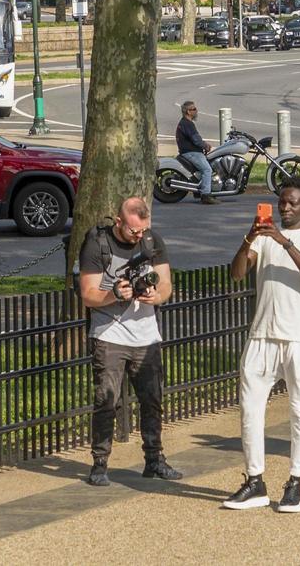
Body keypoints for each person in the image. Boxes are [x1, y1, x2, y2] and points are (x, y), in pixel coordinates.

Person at [223, 181, 300, 513]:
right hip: (262, 334)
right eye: (282, 202)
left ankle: (295, 482)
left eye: (293, 203)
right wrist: (249, 238)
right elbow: (237, 273)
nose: (285, 208)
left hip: (298, 336)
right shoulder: (263, 238)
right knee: (250, 409)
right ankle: (255, 481)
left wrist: (283, 242)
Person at [77, 197, 182, 486]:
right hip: (109, 335)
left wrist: (156, 296)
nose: (139, 236)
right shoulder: (98, 244)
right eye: (133, 231)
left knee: (152, 399)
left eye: (143, 230)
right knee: (106, 401)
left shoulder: (152, 240)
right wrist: (114, 294)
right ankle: (99, 464)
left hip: (146, 335)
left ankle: (154, 459)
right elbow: (87, 294)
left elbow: (166, 284)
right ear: (119, 221)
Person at [176, 100, 218, 205]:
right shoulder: (187, 124)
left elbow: (196, 139)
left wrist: (203, 144)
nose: (196, 111)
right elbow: (196, 139)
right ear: (188, 112)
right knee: (207, 169)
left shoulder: (186, 123)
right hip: (191, 152)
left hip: (191, 152)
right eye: (194, 109)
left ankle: (201, 188)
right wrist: (205, 145)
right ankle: (206, 195)